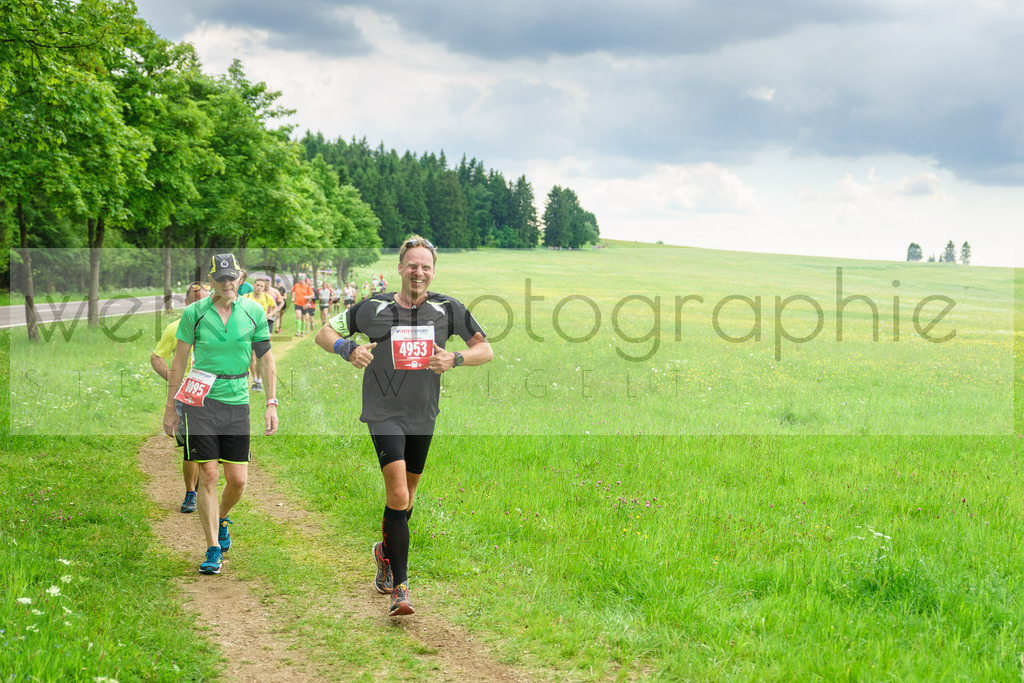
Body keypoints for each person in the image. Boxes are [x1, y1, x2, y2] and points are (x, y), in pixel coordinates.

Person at [315, 235, 492, 616]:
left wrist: (457, 358)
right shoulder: (372, 307)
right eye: (412, 265)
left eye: (426, 266)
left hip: (424, 413)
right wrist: (348, 349)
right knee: (397, 495)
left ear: (433, 271)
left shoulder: (448, 308)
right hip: (383, 412)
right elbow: (324, 332)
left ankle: (384, 551)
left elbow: (485, 348)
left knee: (407, 498)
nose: (419, 272)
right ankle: (401, 587)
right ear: (400, 268)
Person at [163, 253, 279, 575]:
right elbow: (178, 363)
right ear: (211, 280)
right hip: (200, 402)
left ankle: (222, 516)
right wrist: (171, 408)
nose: (227, 283)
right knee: (209, 475)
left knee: (238, 480)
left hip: (237, 400)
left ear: (240, 279)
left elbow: (267, 361)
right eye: (221, 278)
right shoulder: (195, 313)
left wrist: (271, 403)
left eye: (232, 278)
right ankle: (213, 546)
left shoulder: (254, 311)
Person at [150, 281, 209, 513]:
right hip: (187, 396)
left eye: (205, 301)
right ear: (186, 303)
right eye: (196, 302)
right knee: (192, 447)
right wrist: (174, 378)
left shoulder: (221, 325)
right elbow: (156, 357)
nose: (201, 306)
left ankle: (206, 489)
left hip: (215, 395)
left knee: (212, 447)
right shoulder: (175, 327)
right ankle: (191, 493)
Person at [245, 278, 277, 392]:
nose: (259, 288)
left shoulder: (267, 298)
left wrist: (269, 315)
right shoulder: (246, 297)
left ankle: (258, 380)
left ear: (264, 288)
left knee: (260, 356)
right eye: (257, 285)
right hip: (248, 329)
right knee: (251, 356)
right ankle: (255, 380)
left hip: (261, 329)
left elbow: (275, 308)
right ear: (253, 285)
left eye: (261, 286)